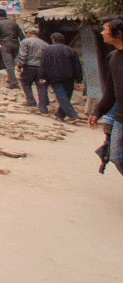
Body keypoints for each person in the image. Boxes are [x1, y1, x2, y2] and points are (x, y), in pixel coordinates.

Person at [89, 17, 123, 176]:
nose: (103, 33)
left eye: (106, 30)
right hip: (121, 119)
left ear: (119, 33)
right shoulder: (113, 57)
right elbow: (111, 91)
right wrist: (98, 111)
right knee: (117, 157)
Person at [39, 32, 84, 124]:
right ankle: (60, 115)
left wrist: (41, 76)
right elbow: (77, 66)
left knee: (62, 96)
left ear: (53, 40)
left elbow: (43, 64)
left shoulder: (46, 50)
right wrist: (78, 80)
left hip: (54, 77)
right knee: (66, 96)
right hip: (69, 77)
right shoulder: (71, 50)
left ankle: (73, 116)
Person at [16, 27, 49, 113]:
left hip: (29, 66)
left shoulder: (25, 42)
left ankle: (31, 101)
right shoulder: (45, 44)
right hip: (42, 67)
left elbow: (23, 55)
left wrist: (20, 65)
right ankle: (43, 107)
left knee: (25, 83)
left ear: (29, 33)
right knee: (41, 86)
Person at [0, 8, 25, 89]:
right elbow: (21, 35)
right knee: (13, 63)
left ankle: (13, 83)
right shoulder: (14, 23)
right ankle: (12, 78)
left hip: (6, 44)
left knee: (9, 64)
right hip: (16, 44)